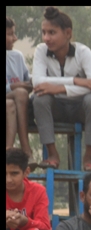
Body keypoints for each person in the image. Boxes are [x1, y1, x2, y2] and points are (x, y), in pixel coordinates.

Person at [31, 7, 91, 171]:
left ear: (68, 33)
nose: (46, 38)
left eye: (52, 32)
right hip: (56, 109)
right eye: (44, 32)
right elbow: (38, 83)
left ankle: (89, 157)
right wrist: (76, 81)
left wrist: (60, 88)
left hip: (80, 109)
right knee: (40, 97)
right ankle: (52, 154)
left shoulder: (83, 52)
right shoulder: (41, 50)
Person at [6, 17, 34, 157]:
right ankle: (26, 149)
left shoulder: (17, 56)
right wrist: (14, 86)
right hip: (15, 94)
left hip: (13, 100)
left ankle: (8, 150)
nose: (15, 38)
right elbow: (19, 87)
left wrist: (33, 82)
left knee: (11, 102)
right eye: (10, 34)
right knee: (21, 93)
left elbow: (27, 80)